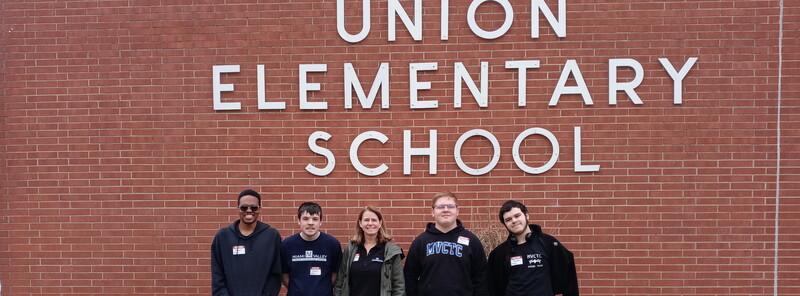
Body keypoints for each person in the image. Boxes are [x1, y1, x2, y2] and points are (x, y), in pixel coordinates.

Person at [404, 191, 488, 296]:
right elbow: (409, 278)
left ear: (457, 211)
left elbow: (481, 278)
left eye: (450, 206)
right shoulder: (420, 242)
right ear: (432, 212)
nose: (446, 210)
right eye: (440, 207)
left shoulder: (472, 241)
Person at [487, 200, 579, 296]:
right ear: (505, 224)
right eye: (508, 219)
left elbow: (568, 275)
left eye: (517, 216)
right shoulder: (498, 254)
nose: (514, 221)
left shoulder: (549, 243)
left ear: (527, 216)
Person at [210, 189, 282, 296]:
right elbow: (217, 276)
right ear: (237, 209)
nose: (249, 211)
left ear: (260, 209)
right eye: (244, 207)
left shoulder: (272, 236)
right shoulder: (223, 237)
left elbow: (275, 275)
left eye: (254, 207)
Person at [334, 206, 405, 296]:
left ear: (380, 223)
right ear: (360, 223)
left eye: (374, 220)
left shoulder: (391, 251)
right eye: (366, 220)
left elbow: (399, 286)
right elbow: (340, 281)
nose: (370, 223)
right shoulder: (351, 248)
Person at [281, 202, 343, 296]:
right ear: (299, 221)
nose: (310, 223)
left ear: (321, 221)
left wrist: (322, 290)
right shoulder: (287, 245)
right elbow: (284, 275)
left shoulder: (332, 244)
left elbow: (335, 274)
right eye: (305, 219)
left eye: (315, 219)